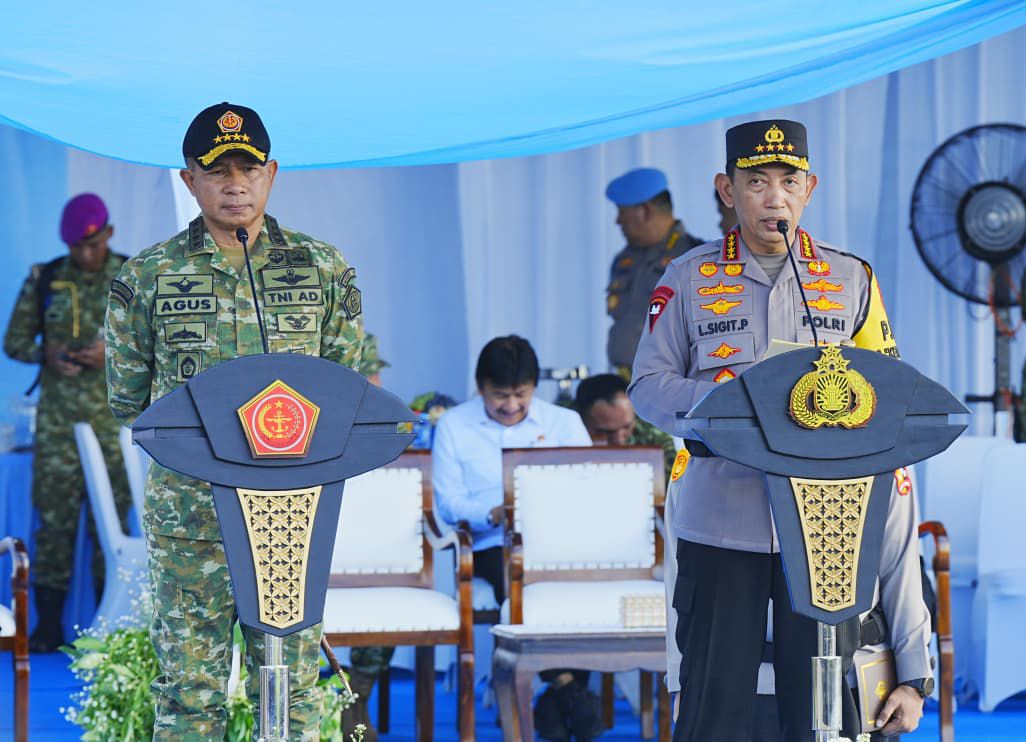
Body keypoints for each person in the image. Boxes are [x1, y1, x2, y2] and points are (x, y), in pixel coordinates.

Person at [629, 119, 930, 741]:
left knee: (823, 711)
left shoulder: (852, 281)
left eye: (788, 181)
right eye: (756, 181)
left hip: (828, 527)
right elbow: (648, 387)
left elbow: (891, 395)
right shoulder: (687, 278)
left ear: (810, 187)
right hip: (723, 521)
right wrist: (723, 402)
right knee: (715, 707)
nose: (774, 198)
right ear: (726, 189)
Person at [105, 102, 365, 739]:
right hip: (191, 519)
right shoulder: (147, 276)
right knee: (189, 689)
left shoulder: (322, 269)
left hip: (289, 515)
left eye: (249, 167)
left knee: (293, 687)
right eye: (216, 169)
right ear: (190, 179)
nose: (235, 182)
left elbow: (345, 385)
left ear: (272, 173)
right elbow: (128, 399)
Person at [432, 335, 602, 740]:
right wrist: (490, 510)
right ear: (480, 387)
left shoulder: (564, 424)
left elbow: (590, 484)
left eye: (520, 395)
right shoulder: (455, 426)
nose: (510, 406)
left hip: (561, 541)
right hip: (492, 543)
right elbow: (448, 502)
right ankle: (568, 691)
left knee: (573, 586)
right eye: (499, 396)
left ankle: (556, 699)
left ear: (534, 388)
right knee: (521, 575)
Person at [3, 193, 132, 652]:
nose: (84, 254)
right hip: (58, 425)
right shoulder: (47, 279)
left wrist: (110, 353)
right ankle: (48, 628)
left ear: (108, 235)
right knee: (53, 526)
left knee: (110, 526)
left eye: (92, 245)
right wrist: (48, 355)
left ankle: (108, 631)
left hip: (111, 422)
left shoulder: (131, 276)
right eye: (77, 247)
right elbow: (14, 341)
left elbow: (156, 344)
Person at [605, 168, 703, 376]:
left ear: (646, 211)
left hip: (671, 380)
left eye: (622, 213)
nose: (618, 221)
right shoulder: (624, 260)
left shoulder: (694, 258)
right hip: (624, 382)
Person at [574, 373, 676, 476]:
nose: (619, 440)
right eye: (607, 432)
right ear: (582, 419)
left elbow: (672, 485)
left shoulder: (655, 440)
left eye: (627, 427)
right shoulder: (564, 433)